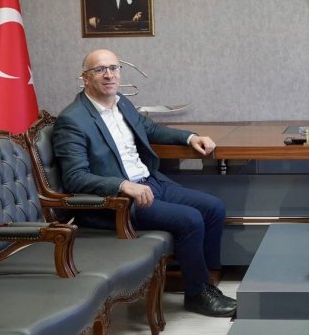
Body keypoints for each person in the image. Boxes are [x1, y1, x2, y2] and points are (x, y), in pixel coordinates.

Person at [52, 48, 236, 317]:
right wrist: (122, 185)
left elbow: (150, 129)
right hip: (119, 202)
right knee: (190, 219)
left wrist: (190, 137)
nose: (109, 75)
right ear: (85, 78)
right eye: (100, 70)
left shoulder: (122, 103)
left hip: (150, 183)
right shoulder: (72, 120)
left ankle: (205, 283)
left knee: (213, 208)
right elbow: (75, 177)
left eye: (114, 68)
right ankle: (196, 295)